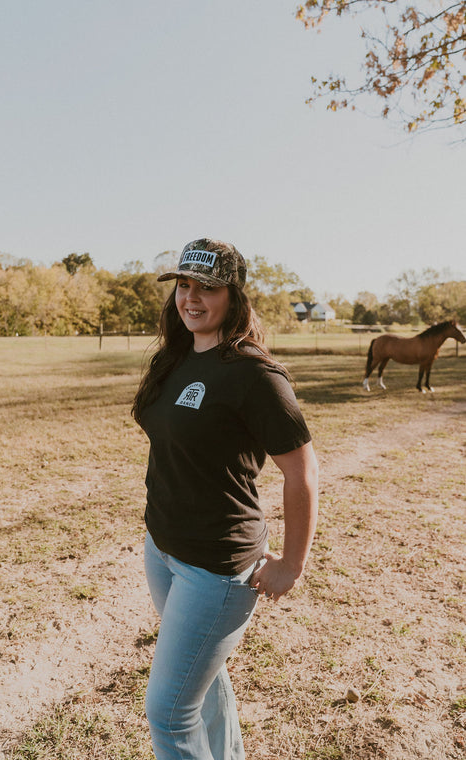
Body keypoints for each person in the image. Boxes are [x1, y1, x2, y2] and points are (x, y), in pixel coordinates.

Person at [132, 238, 319, 760]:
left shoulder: (254, 375)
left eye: (207, 288)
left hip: (216, 568)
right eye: (184, 285)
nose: (191, 298)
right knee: (205, 686)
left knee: (169, 712)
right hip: (163, 548)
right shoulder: (173, 360)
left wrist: (293, 564)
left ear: (233, 296)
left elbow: (302, 471)